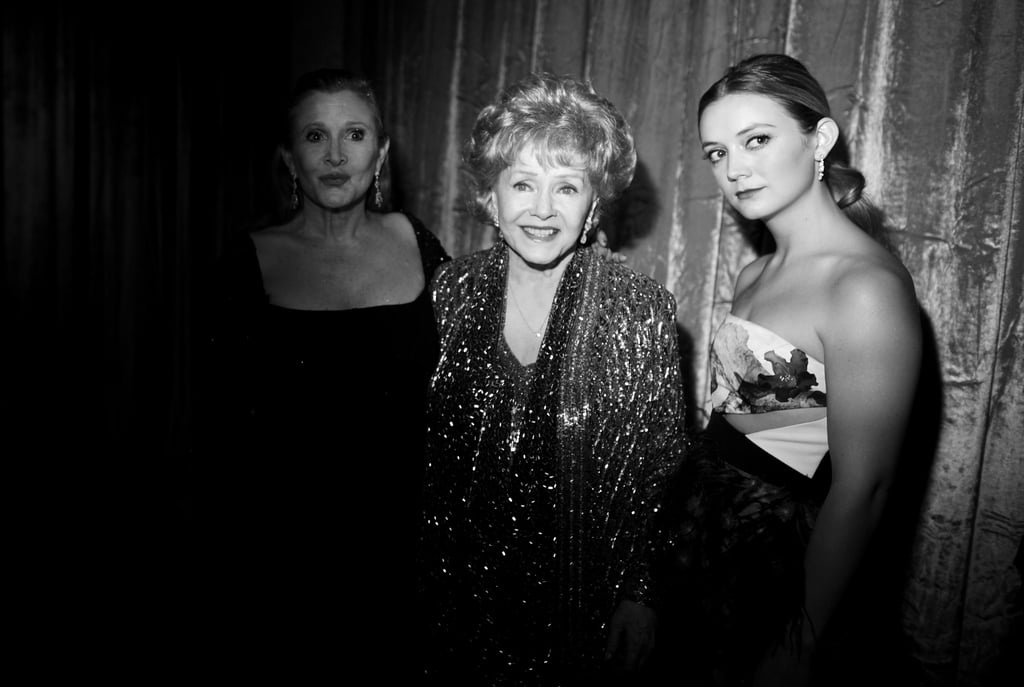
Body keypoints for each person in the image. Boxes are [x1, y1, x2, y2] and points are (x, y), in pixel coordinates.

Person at [653, 53, 923, 686]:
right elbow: (741, 429)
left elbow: (865, 489)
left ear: (819, 139)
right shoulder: (754, 272)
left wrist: (797, 642)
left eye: (757, 140)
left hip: (777, 584)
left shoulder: (864, 287)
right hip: (703, 556)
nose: (735, 168)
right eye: (716, 153)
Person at [416, 72, 689, 685]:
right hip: (452, 606)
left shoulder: (639, 307)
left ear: (594, 205)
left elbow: (662, 468)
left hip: (581, 615)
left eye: (566, 187)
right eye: (522, 184)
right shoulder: (449, 292)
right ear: (491, 198)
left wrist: (640, 596)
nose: (542, 209)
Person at [191, 68, 450, 663]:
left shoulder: (420, 245)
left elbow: (463, 394)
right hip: (282, 565)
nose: (336, 155)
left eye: (354, 135)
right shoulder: (244, 264)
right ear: (289, 158)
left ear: (380, 153)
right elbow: (218, 439)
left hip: (405, 559)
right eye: (315, 137)